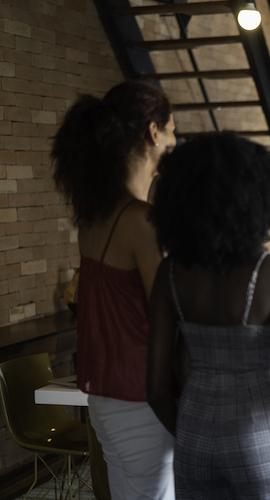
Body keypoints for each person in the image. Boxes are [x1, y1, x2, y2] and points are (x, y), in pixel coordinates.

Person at [146, 131, 270, 500]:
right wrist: (264, 382)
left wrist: (191, 433)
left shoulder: (169, 273)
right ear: (256, 200)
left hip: (195, 436)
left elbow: (155, 390)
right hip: (263, 438)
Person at [51, 81, 177, 499]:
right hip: (142, 397)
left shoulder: (94, 217)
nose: (174, 141)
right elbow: (167, 313)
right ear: (153, 132)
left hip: (105, 396)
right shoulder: (141, 221)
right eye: (172, 129)